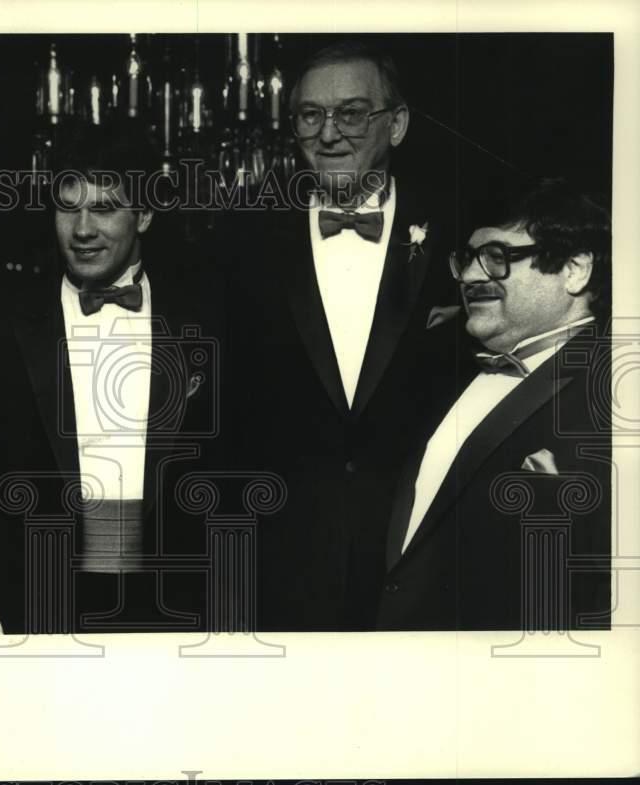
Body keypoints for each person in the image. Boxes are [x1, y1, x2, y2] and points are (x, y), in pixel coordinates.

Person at [223, 40, 467, 630]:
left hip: (423, 557)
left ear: (398, 124)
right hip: (281, 567)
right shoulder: (243, 241)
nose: (329, 133)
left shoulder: (460, 232)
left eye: (352, 112)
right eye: (311, 115)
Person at [0, 122, 221, 634]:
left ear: (144, 214)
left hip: (177, 606)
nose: (82, 230)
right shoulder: (3, 323)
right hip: (43, 604)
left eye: (104, 208)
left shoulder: (205, 316)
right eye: (68, 208)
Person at [377, 178, 611, 630]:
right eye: (467, 259)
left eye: (498, 257)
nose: (469, 277)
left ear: (576, 270)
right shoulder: (442, 372)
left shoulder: (612, 397)